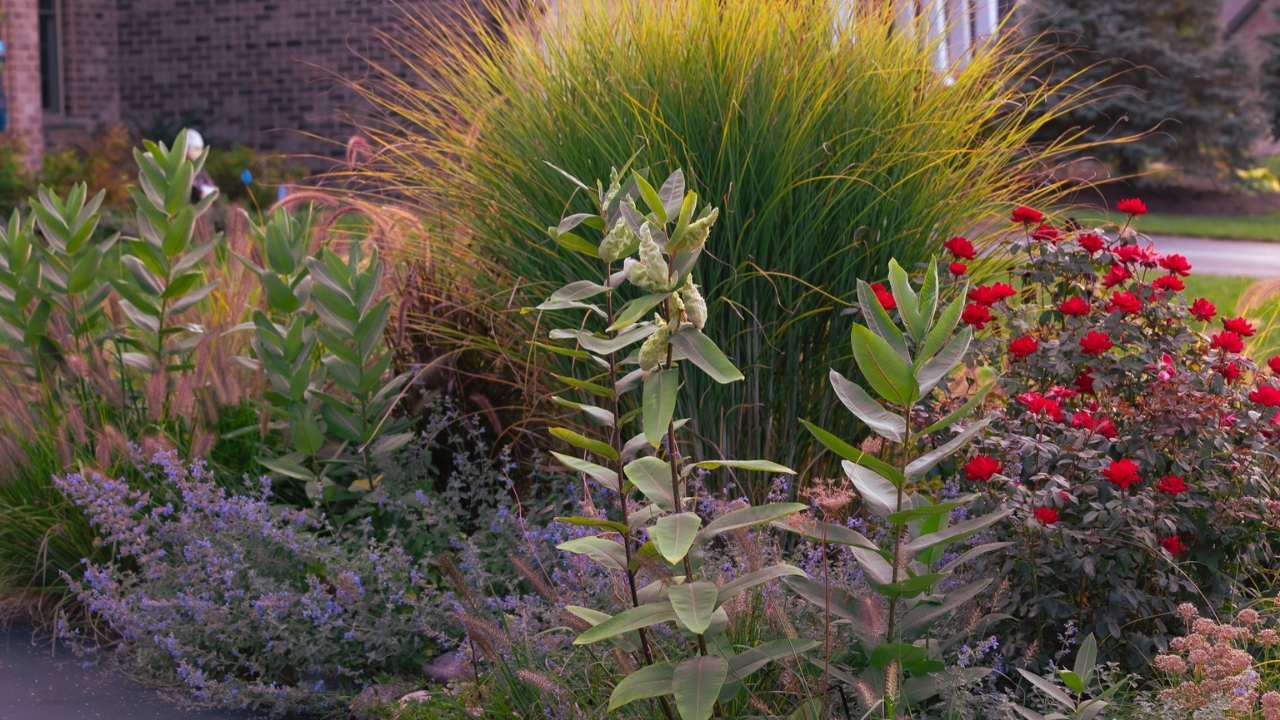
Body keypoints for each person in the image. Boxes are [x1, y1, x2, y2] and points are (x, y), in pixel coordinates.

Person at [187, 129, 218, 201]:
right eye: (196, 148)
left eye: (201, 149)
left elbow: (210, 184)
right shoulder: (181, 169)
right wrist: (200, 193)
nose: (200, 152)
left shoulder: (201, 170)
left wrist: (213, 192)